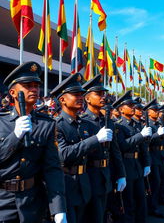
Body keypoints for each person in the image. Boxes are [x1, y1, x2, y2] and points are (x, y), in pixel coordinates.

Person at [0, 61, 67, 223]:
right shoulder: (1, 122)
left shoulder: (47, 124)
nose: (34, 89)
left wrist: (58, 209)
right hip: (3, 201)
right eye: (27, 85)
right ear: (13, 92)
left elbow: (52, 169)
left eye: (36, 85)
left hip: (32, 202)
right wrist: (15, 136)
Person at [50, 73, 113, 223]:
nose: (80, 97)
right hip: (67, 186)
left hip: (85, 184)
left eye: (81, 94)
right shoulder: (56, 125)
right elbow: (63, 155)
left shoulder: (84, 124)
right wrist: (95, 139)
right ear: (62, 99)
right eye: (75, 94)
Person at [81, 74, 126, 223]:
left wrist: (121, 174)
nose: (103, 97)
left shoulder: (107, 121)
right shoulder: (82, 122)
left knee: (103, 215)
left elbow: (115, 151)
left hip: (106, 176)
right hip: (90, 177)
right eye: (98, 94)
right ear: (87, 98)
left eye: (103, 93)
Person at [113, 92, 152, 223]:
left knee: (141, 198)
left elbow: (143, 147)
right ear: (121, 109)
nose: (133, 108)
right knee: (128, 202)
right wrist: (140, 136)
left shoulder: (136, 124)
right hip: (126, 165)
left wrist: (146, 163)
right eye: (129, 105)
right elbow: (122, 146)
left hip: (137, 165)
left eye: (133, 105)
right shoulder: (118, 125)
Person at [143, 99, 164, 218]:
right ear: (148, 112)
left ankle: (160, 199)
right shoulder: (147, 125)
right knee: (155, 182)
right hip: (152, 156)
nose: (157, 112)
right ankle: (153, 206)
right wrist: (156, 134)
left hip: (160, 155)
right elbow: (146, 142)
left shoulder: (159, 123)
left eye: (157, 110)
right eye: (154, 110)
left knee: (163, 179)